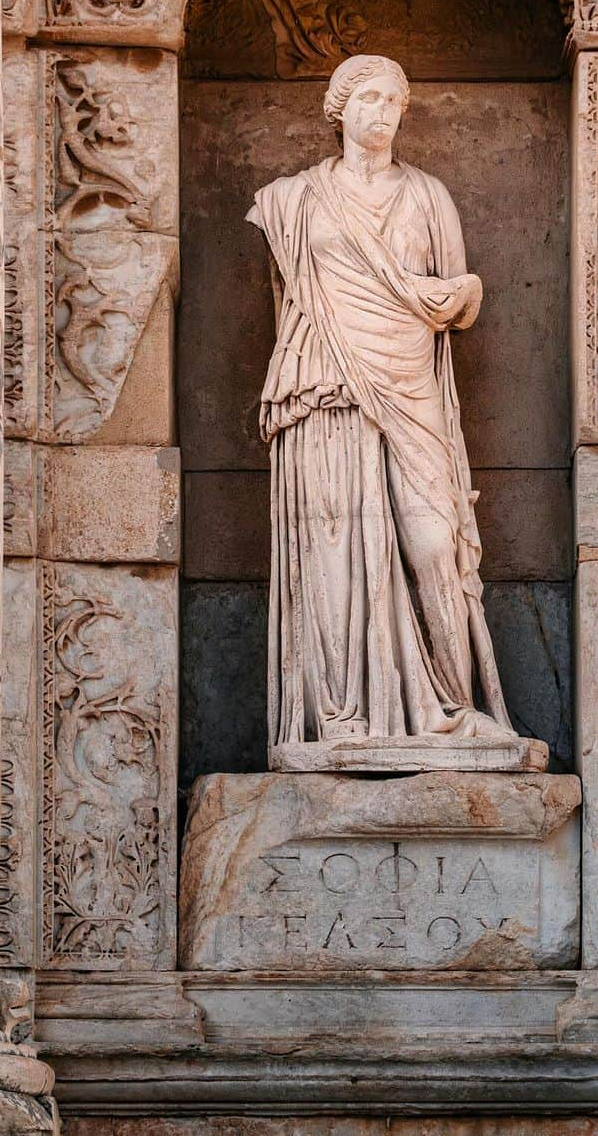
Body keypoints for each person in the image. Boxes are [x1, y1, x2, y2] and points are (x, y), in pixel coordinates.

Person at [247, 54, 518, 760]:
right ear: (340, 108)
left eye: (394, 99)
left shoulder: (429, 196)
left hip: (408, 381)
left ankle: (452, 709)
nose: (382, 110)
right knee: (333, 549)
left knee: (435, 543)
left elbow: (455, 292)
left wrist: (451, 296)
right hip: (324, 383)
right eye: (367, 97)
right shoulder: (292, 199)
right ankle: (341, 717)